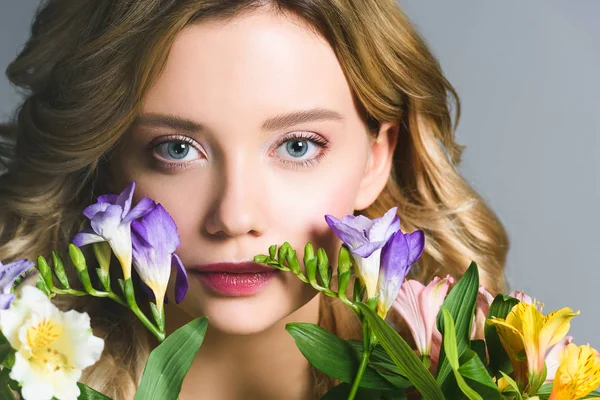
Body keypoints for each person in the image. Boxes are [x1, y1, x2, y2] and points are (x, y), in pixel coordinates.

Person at [0, 0, 509, 398]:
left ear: (375, 160)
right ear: (108, 163)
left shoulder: (476, 383)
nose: (234, 217)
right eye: (177, 149)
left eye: (297, 146)